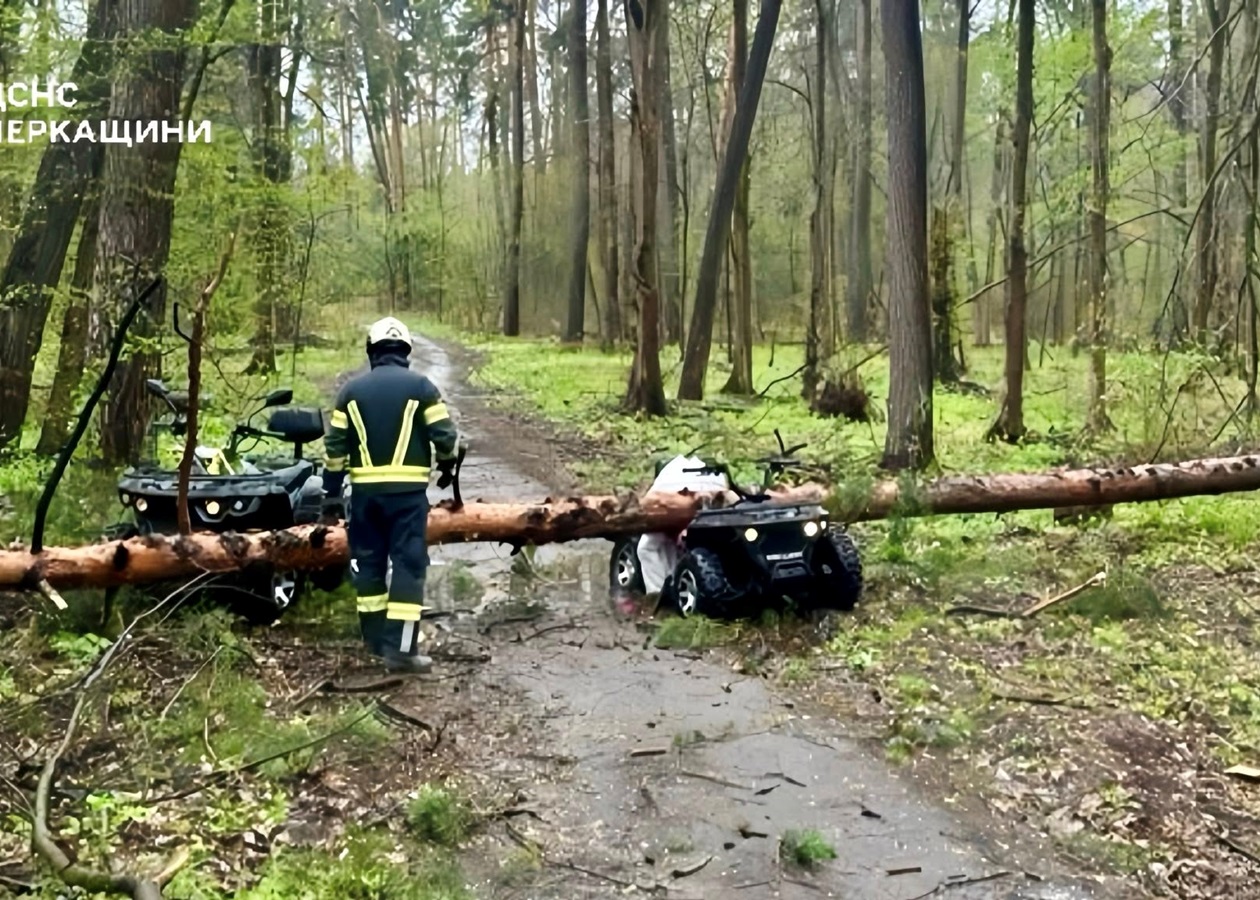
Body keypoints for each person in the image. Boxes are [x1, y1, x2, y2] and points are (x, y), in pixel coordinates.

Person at [319, 317, 460, 673]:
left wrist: (330, 497)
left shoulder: (349, 393)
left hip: (364, 499)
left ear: (372, 352)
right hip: (408, 499)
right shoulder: (423, 388)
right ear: (406, 352)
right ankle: (401, 650)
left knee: (369, 567)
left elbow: (334, 452)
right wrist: (446, 465)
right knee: (408, 568)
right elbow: (446, 438)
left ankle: (374, 642)